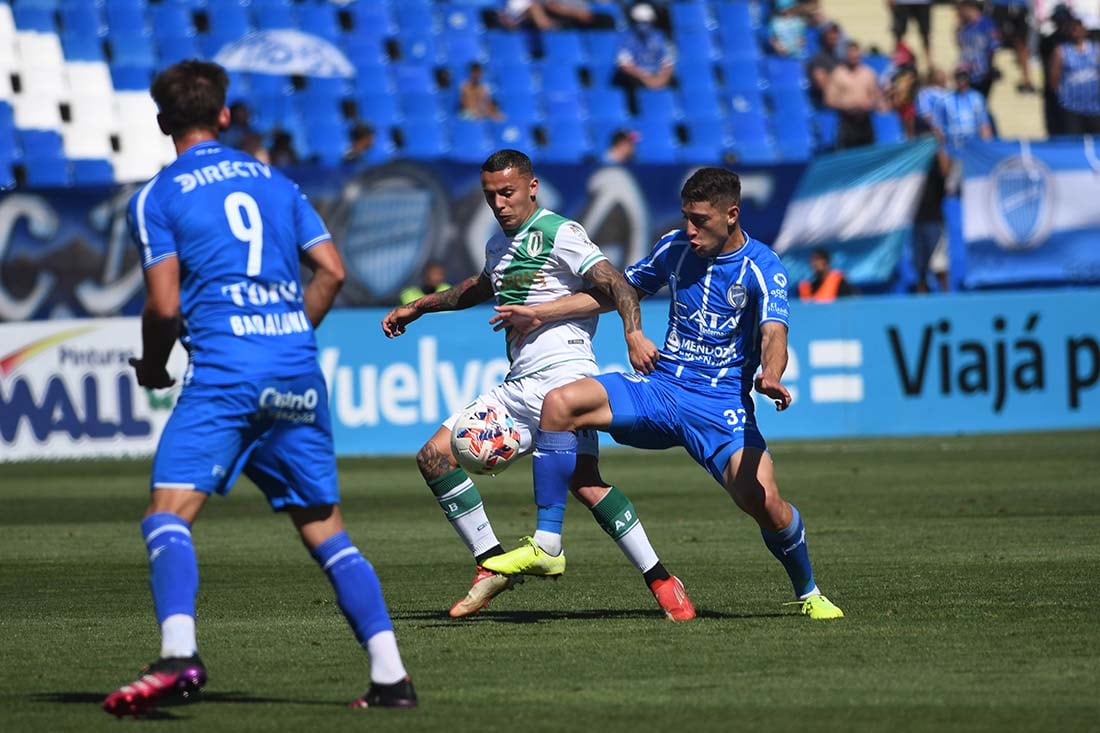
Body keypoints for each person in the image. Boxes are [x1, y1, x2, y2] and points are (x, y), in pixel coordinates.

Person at [102, 60, 416, 717]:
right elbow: (331, 270)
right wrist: (286, 334)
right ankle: (391, 675)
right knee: (325, 528)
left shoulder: (158, 195)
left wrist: (154, 363)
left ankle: (180, 651)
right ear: (224, 115)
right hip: (296, 367)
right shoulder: (276, 182)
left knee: (168, 512)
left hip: (226, 371)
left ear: (163, 123)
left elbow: (163, 308)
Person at [489, 167, 845, 621]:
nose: (689, 230)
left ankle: (809, 591)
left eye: (700, 220)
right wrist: (544, 313)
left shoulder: (763, 267)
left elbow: (775, 333)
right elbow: (620, 291)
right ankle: (547, 544)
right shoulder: (675, 248)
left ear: (732, 215)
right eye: (685, 218)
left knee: (765, 503)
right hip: (662, 388)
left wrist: (771, 374)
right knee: (559, 404)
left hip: (721, 409)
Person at [380, 149, 695, 622]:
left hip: (564, 378)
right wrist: (419, 307)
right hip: (520, 383)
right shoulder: (497, 246)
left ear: (532, 187)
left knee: (573, 483)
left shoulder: (560, 233)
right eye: (490, 195)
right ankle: (498, 566)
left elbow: (618, 285)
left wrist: (632, 333)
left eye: (507, 192)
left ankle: (650, 577)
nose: (499, 203)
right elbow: (478, 288)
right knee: (447, 459)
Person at [613, 3, 676, 116]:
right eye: (640, 21)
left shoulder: (660, 37)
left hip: (657, 76)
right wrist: (646, 78)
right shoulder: (625, 37)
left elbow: (668, 63)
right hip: (638, 79)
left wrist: (660, 79)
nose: (643, 25)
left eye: (646, 21)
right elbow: (625, 65)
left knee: (675, 82)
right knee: (630, 84)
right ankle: (637, 115)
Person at [825, 41, 883, 148]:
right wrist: (849, 105)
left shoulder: (868, 73)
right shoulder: (838, 74)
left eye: (856, 54)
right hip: (847, 122)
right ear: (846, 55)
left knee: (868, 157)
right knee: (847, 158)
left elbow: (877, 97)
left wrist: (869, 104)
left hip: (865, 122)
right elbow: (829, 100)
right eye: (851, 55)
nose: (854, 57)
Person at [1050, 18, 1100, 133]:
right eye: (1073, 29)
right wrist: (1061, 96)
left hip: (1095, 106)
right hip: (1071, 106)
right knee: (1074, 140)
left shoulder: (1096, 49)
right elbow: (1054, 77)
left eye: (1078, 29)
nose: (1076, 32)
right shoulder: (1061, 51)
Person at [956, 0, 1000, 98]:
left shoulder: (987, 24)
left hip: (982, 73)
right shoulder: (965, 27)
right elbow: (961, 46)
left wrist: (989, 67)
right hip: (967, 73)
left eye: (961, 8)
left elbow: (994, 47)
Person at [991, 0, 1037, 93]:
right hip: (1000, 5)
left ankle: (1027, 80)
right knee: (994, 39)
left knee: (1021, 43)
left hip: (1018, 6)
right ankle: (991, 69)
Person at [888, 0, 933, 68]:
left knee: (925, 33)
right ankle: (894, 61)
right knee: (898, 33)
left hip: (923, 2)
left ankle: (929, 64)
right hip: (902, 2)